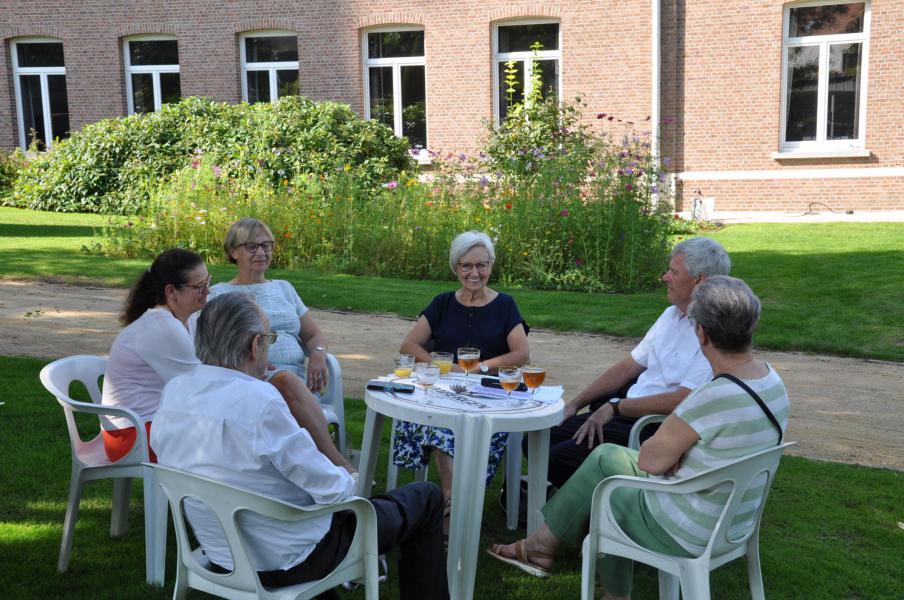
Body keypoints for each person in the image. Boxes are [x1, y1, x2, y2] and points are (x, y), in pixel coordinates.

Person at [489, 276, 790, 599]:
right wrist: (678, 456)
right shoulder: (770, 381)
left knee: (608, 495)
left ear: (701, 332)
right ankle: (541, 545)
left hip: (688, 526)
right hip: (731, 518)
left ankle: (609, 591)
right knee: (606, 457)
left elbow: (650, 460)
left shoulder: (712, 397)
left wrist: (672, 455)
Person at [151, 293, 448, 600]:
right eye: (270, 339)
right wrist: (350, 474)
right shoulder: (260, 401)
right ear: (255, 346)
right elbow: (333, 491)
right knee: (426, 498)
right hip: (290, 559)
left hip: (221, 554)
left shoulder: (175, 391)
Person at [543, 237, 731, 489]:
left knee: (559, 458)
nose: (665, 277)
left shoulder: (711, 333)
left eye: (673, 272)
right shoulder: (671, 314)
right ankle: (565, 502)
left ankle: (591, 515)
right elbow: (629, 366)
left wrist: (616, 407)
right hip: (625, 409)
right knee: (540, 440)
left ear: (700, 281)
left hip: (650, 426)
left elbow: (682, 400)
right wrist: (576, 404)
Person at [392, 231, 530, 506]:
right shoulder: (443, 303)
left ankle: (450, 507)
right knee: (441, 426)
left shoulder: (504, 305)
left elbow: (522, 354)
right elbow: (409, 345)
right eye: (466, 265)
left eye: (481, 265)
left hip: (488, 396)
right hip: (445, 391)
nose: (474, 272)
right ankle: (454, 502)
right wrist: (446, 368)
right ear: (456, 267)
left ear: (491, 265)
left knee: (453, 429)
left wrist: (481, 367)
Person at [210, 217, 353, 472]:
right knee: (285, 381)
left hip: (299, 380)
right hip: (253, 378)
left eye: (267, 245)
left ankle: (317, 467)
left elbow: (313, 334)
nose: (262, 252)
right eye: (251, 246)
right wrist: (253, 363)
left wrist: (318, 355)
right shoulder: (221, 294)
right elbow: (218, 346)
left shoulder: (284, 288)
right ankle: (338, 465)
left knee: (288, 380)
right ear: (233, 252)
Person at [100, 249, 208, 462]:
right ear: (171, 291)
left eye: (208, 281)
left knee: (226, 432)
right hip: (130, 436)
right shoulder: (162, 326)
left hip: (151, 424)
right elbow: (199, 387)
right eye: (199, 287)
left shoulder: (188, 317)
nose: (208, 291)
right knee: (222, 438)